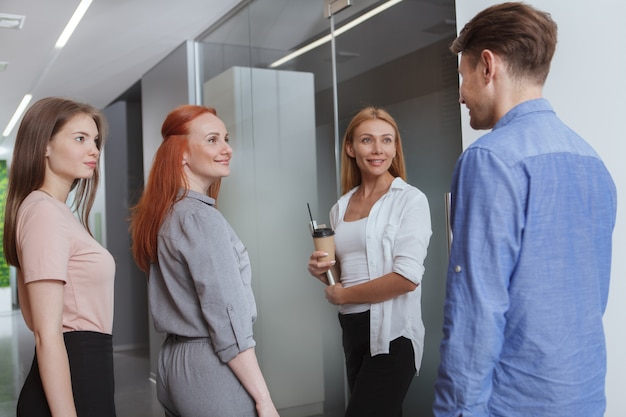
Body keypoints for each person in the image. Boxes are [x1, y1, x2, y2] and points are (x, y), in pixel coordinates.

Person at [433, 3, 617, 417]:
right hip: (584, 398)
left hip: (512, 404)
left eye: (461, 78)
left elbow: (476, 312)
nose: (460, 94)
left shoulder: (489, 160)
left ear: (487, 66)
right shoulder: (593, 163)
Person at [129, 104, 279, 417]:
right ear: (181, 153)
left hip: (173, 361)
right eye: (212, 140)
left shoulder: (168, 213)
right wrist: (265, 400)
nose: (227, 149)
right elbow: (228, 316)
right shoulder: (200, 218)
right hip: (210, 361)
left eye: (226, 139)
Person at [308, 106, 432, 416]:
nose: (378, 149)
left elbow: (406, 277)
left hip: (392, 334)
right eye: (367, 140)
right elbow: (343, 274)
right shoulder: (341, 206)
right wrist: (324, 272)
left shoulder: (410, 200)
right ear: (350, 148)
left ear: (395, 148)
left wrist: (343, 294)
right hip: (352, 329)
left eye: (386, 140)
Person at [2, 97, 116, 416]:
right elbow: (46, 333)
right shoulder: (44, 213)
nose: (93, 149)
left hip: (87, 369)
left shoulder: (55, 211)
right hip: (76, 372)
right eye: (79, 138)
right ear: (44, 146)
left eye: (94, 140)